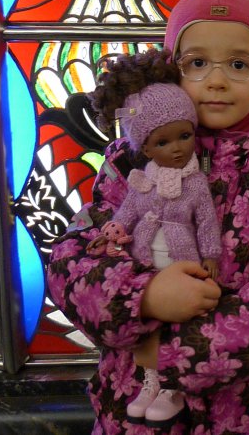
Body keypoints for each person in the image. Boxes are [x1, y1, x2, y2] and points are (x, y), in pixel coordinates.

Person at [48, 0, 249, 434]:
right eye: (196, 62)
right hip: (134, 406)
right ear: (170, 68)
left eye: (238, 64)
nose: (216, 80)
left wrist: (168, 351)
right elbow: (75, 257)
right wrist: (143, 297)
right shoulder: (132, 159)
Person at [85, 50, 222, 426]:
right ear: (145, 148)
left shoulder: (195, 183)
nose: (177, 148)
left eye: (185, 136)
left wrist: (211, 254)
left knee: (179, 326)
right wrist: (110, 235)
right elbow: (125, 214)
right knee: (149, 330)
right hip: (145, 261)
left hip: (183, 260)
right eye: (163, 142)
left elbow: (206, 222)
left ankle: (171, 387)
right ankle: (150, 382)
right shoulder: (140, 181)